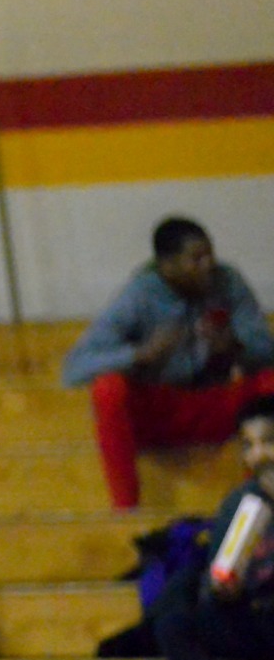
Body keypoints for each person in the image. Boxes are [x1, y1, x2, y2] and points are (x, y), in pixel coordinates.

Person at [63, 217, 274, 510]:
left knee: (269, 382)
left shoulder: (228, 282)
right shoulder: (140, 294)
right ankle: (126, 510)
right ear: (168, 265)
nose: (208, 265)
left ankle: (262, 499)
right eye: (196, 259)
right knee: (108, 389)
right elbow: (75, 367)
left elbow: (266, 349)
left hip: (215, 404)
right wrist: (140, 355)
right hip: (160, 410)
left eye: (210, 254)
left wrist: (234, 348)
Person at [149, 394, 274, 660]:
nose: (258, 455)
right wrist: (223, 591)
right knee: (174, 625)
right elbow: (218, 576)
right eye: (248, 445)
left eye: (268, 442)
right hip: (253, 619)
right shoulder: (239, 503)